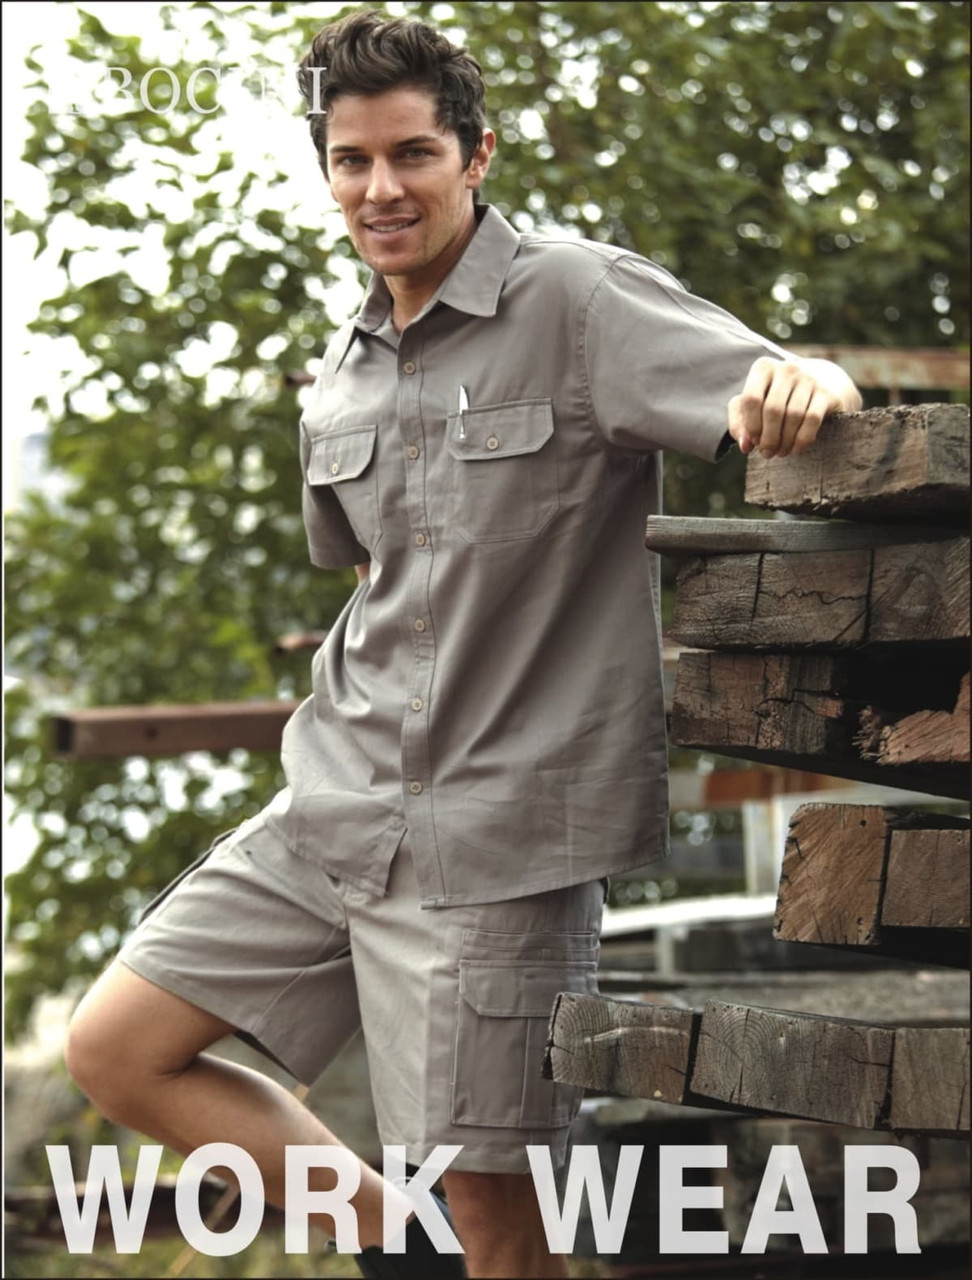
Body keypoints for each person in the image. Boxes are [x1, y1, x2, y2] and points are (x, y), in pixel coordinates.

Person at [65, 10, 862, 1279]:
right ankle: (401, 1237)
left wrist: (812, 380)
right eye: (353, 160)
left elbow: (788, 384)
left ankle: (442, 1239)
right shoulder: (344, 368)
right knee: (117, 1047)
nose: (381, 187)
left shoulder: (577, 298)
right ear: (328, 171)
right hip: (338, 803)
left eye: (413, 154)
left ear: (475, 155)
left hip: (502, 838)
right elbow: (384, 585)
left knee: (504, 1221)